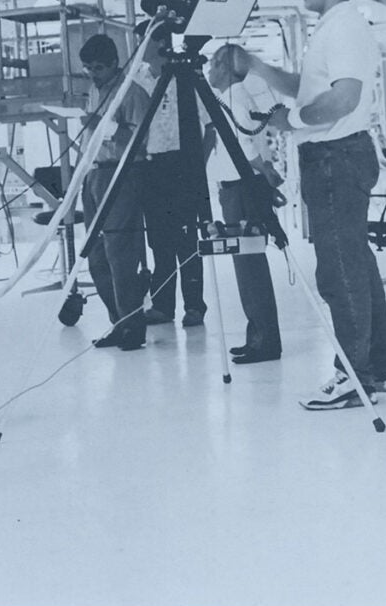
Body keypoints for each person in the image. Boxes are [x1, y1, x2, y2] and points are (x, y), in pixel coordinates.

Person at [238, 0, 386, 409]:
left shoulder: (345, 25)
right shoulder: (330, 26)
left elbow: (342, 99)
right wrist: (260, 69)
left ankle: (354, 375)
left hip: (334, 157)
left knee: (339, 270)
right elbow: (308, 90)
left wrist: (291, 122)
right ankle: (378, 366)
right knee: (357, 264)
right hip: (336, 154)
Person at [206, 43, 285, 364]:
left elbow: (246, 144)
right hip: (236, 189)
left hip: (241, 190)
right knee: (246, 268)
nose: (208, 71)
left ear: (224, 67)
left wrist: (264, 171)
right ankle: (257, 335)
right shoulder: (233, 97)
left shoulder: (234, 98)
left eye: (212, 64)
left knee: (250, 269)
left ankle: (265, 341)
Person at [79, 33, 150, 351]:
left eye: (98, 68)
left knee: (120, 255)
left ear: (114, 64)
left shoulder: (131, 94)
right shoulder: (94, 92)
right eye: (88, 69)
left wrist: (103, 127)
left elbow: (138, 141)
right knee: (96, 257)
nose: (93, 74)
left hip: (122, 176)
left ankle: (132, 328)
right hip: (94, 175)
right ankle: (118, 322)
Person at [134, 21, 207, 328]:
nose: (139, 46)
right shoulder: (137, 81)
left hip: (182, 165)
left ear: (161, 42)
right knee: (159, 241)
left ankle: (194, 306)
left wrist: (196, 164)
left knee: (186, 239)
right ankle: (163, 306)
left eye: (144, 40)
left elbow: (210, 127)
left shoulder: (184, 78)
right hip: (150, 167)